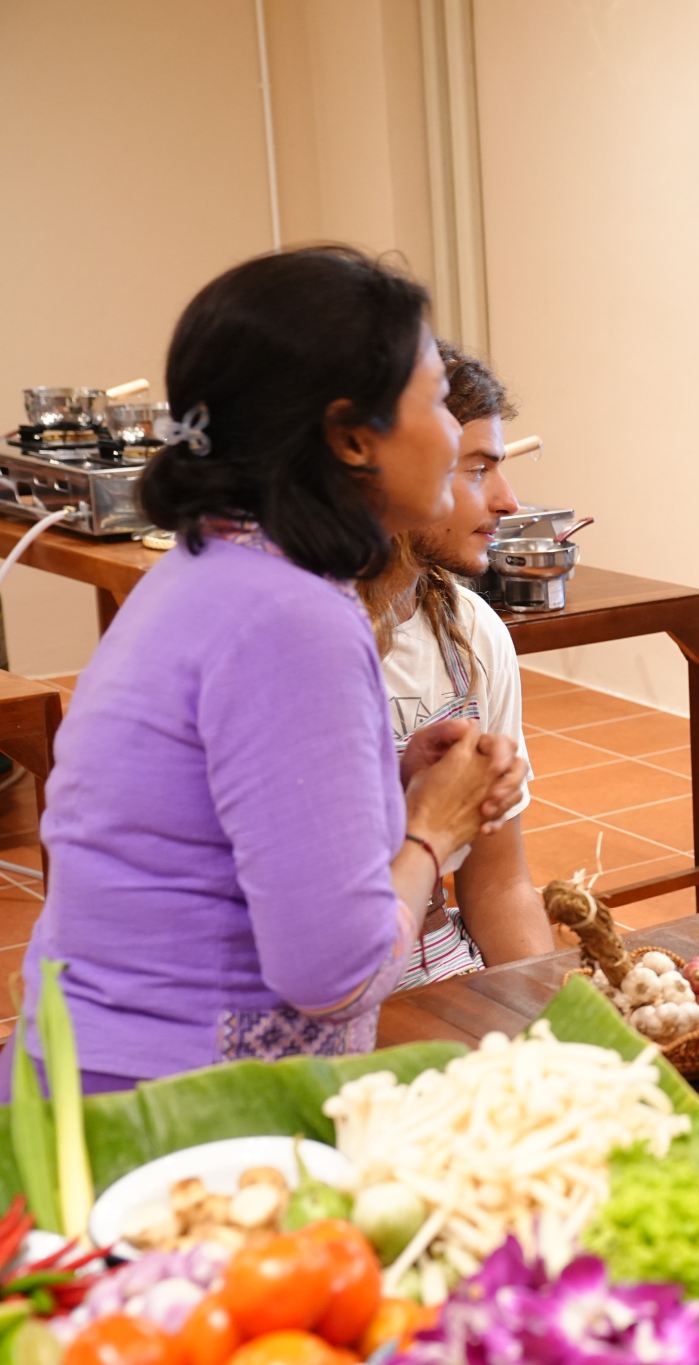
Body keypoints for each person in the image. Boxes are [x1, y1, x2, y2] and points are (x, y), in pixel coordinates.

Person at [3, 246, 522, 1096]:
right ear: (352, 436)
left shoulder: (215, 569)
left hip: (98, 1080)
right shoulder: (293, 616)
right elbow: (336, 973)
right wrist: (434, 825)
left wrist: (385, 784)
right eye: (432, 399)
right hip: (170, 1121)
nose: (451, 434)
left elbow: (222, 829)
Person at [359, 341, 552, 987]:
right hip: (332, 991)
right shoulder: (311, 642)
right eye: (475, 469)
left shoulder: (473, 635)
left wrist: (553, 1024)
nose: (508, 501)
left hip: (439, 962)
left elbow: (499, 885)